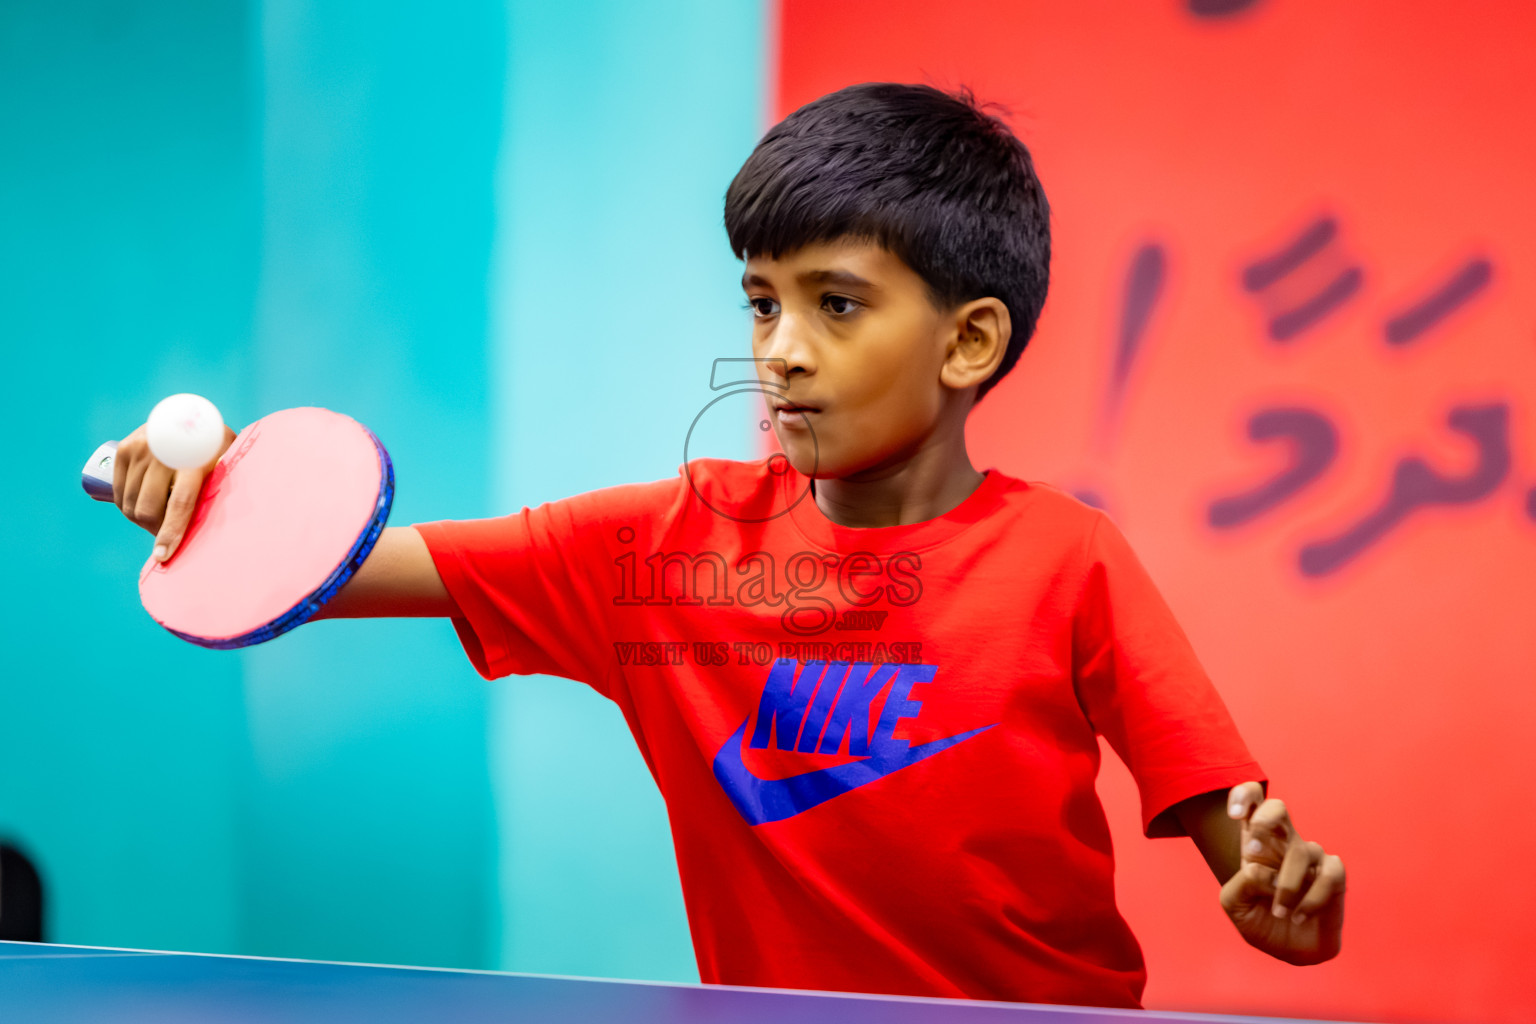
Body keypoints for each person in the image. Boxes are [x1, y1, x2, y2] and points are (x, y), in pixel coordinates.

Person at [110, 82, 1345, 1008]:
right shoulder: (656, 549)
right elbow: (333, 565)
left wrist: (1287, 906)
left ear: (969, 342)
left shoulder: (1071, 562)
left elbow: (1250, 857)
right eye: (761, 301)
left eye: (836, 303)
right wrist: (197, 493)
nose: (781, 349)